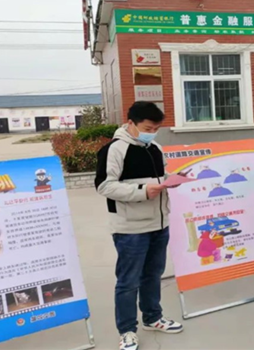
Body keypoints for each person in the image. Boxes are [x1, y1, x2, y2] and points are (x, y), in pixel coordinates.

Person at [95, 102, 183, 350]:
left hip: (159, 223)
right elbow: (104, 185)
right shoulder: (114, 150)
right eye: (147, 128)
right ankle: (126, 331)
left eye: (156, 129)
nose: (151, 133)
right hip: (130, 228)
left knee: (153, 275)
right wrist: (143, 191)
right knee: (128, 281)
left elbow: (160, 177)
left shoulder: (155, 148)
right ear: (130, 123)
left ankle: (153, 318)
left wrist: (171, 181)